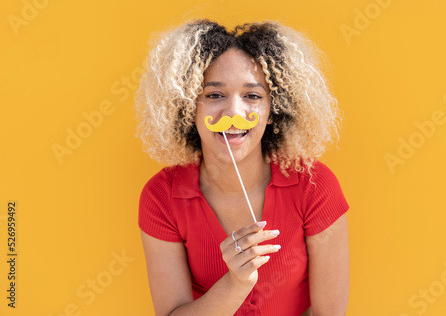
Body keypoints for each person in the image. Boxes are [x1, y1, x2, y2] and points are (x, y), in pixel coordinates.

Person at [134, 19, 350, 316]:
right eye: (214, 95)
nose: (234, 113)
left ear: (274, 110)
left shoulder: (315, 185)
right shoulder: (162, 196)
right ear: (188, 107)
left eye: (252, 95)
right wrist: (236, 283)